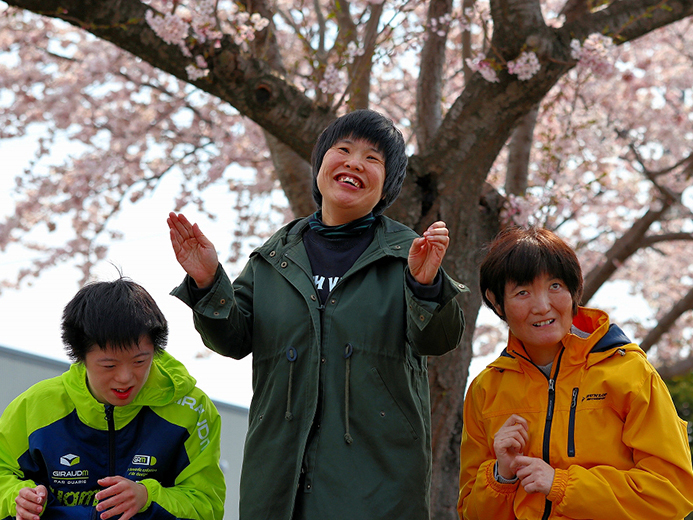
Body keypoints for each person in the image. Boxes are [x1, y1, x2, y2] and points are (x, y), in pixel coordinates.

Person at [168, 109, 467, 520]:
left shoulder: (409, 256)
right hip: (277, 487)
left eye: (373, 159)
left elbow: (440, 339)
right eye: (342, 149)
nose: (354, 163)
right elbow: (231, 339)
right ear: (321, 165)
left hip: (378, 492)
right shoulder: (275, 257)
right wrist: (207, 280)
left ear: (387, 187)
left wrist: (425, 286)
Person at [458, 226, 693, 520]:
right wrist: (500, 476)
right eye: (522, 292)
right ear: (496, 302)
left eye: (555, 286)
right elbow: (470, 513)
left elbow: (671, 493)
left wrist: (561, 485)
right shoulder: (484, 390)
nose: (542, 306)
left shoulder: (630, 373)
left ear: (574, 290)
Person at [0, 278, 226, 520]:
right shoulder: (35, 406)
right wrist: (17, 497)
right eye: (109, 365)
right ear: (80, 355)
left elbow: (208, 505)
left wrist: (147, 496)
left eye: (140, 361)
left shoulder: (191, 409)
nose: (125, 378)